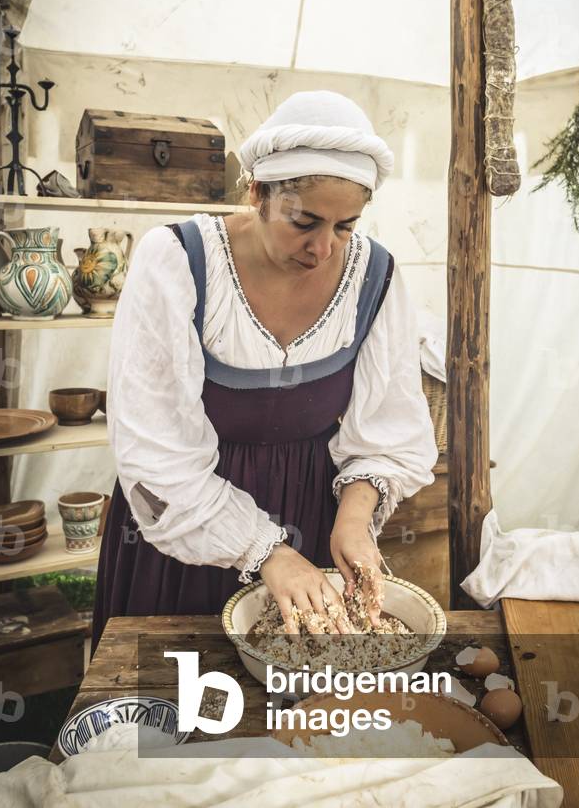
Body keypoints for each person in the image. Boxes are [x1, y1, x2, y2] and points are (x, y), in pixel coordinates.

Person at [91, 90, 437, 653]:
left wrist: (354, 516)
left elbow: (390, 427)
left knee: (301, 707)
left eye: (345, 226)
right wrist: (265, 551)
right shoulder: (178, 262)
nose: (323, 248)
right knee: (177, 701)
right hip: (189, 525)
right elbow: (155, 452)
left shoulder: (376, 276)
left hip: (310, 510)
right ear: (256, 192)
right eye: (304, 221)